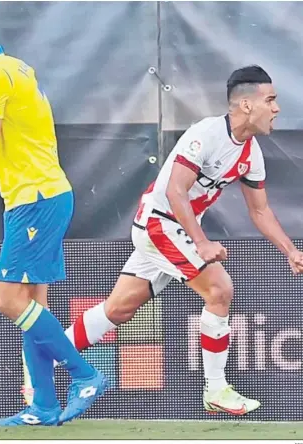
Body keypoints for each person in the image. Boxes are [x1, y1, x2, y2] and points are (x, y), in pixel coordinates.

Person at [24, 65, 303, 415]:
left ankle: (40, 364)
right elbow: (175, 191)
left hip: (173, 230)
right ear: (246, 105)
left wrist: (291, 250)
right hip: (160, 223)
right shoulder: (207, 134)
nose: (277, 108)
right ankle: (216, 389)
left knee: (118, 310)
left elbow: (260, 212)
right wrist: (201, 243)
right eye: (271, 100)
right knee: (220, 289)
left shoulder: (251, 154)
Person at [0, 8, 108, 426]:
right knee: (33, 302)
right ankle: (44, 406)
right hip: (40, 196)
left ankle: (85, 375)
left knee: (8, 299)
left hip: (36, 199)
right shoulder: (12, 68)